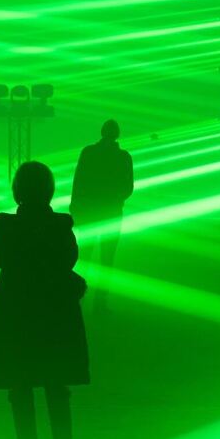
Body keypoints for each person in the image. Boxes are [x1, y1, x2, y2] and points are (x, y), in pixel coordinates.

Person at [0, 161, 88, 439]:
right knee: (57, 387)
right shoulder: (61, 225)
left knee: (20, 385)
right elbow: (68, 259)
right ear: (49, 190)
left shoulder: (6, 225)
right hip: (56, 310)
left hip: (16, 311)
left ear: (17, 191)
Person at [69, 119, 133, 311]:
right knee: (107, 258)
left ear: (102, 131)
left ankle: (76, 297)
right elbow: (128, 187)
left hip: (88, 211)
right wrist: (116, 199)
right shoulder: (124, 157)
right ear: (117, 134)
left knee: (84, 255)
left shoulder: (88, 152)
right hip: (111, 213)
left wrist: (75, 206)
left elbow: (78, 181)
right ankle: (100, 300)